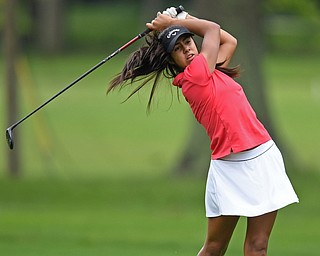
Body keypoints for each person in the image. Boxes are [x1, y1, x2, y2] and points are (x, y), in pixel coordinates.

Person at [107, 7, 299, 256]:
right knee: (214, 248)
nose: (187, 48)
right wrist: (175, 21)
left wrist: (183, 19)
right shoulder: (194, 77)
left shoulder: (210, 69)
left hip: (263, 156)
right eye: (178, 47)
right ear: (170, 60)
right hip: (231, 168)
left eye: (188, 41)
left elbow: (229, 41)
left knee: (258, 246)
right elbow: (212, 30)